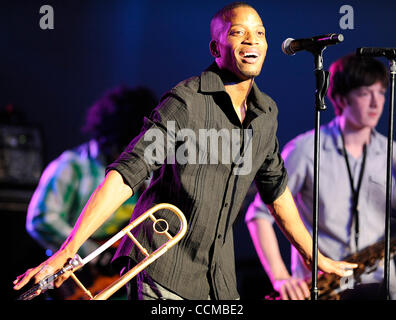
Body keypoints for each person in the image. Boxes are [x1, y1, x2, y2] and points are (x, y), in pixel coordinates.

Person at [13, 2, 357, 300]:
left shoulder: (266, 114)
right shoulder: (186, 101)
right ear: (216, 48)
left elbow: (277, 192)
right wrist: (68, 251)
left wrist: (314, 255)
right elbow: (127, 173)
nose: (252, 39)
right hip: (163, 270)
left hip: (218, 279)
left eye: (261, 33)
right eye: (238, 32)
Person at [245, 53, 396, 300]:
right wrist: (280, 277)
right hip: (322, 289)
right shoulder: (305, 149)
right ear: (341, 98)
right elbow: (259, 215)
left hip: (381, 284)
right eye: (364, 93)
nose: (376, 103)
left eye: (380, 93)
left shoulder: (392, 153)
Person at [25, 86, 157, 299]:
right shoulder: (71, 165)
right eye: (123, 146)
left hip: (123, 284)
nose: (128, 155)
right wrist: (95, 255)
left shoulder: (146, 170)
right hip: (81, 279)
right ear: (109, 137)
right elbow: (41, 220)